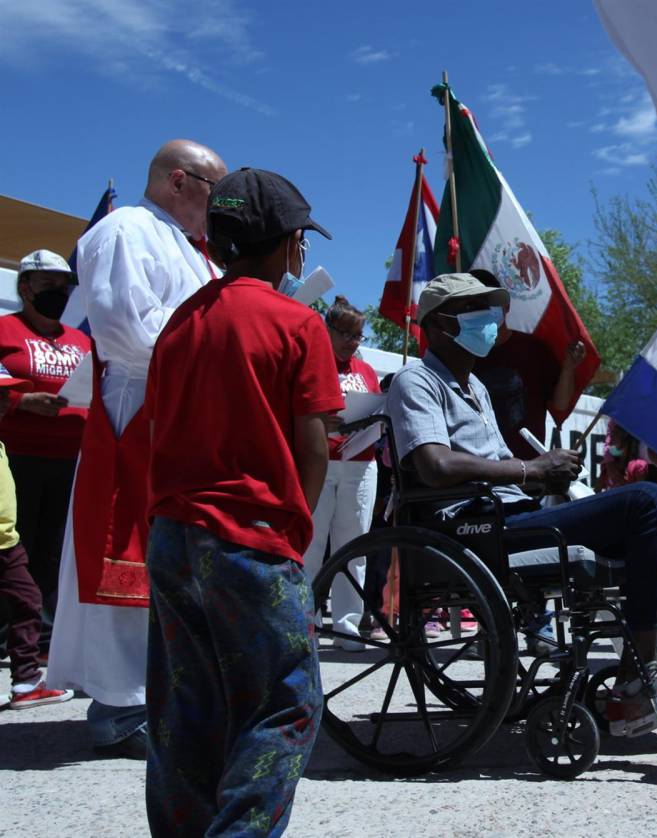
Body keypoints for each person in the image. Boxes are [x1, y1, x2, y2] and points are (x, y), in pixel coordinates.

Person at [386, 272, 657, 737]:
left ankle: (640, 665)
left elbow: (502, 471)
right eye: (477, 314)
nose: (490, 323)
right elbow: (434, 465)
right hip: (469, 529)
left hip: (509, 515)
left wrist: (548, 470)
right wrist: (532, 470)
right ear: (440, 326)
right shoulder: (417, 382)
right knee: (648, 501)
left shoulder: (476, 390)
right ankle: (637, 683)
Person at [143, 167, 341, 835]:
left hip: (172, 532)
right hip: (250, 536)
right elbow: (313, 446)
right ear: (289, 245)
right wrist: (294, 534)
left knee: (185, 708)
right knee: (286, 702)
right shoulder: (297, 323)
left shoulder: (180, 323)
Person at [47, 139, 227, 758]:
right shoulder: (128, 230)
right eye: (215, 189)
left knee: (173, 555)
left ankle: (163, 693)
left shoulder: (195, 251)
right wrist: (211, 357)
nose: (221, 203)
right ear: (180, 180)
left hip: (181, 406)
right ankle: (119, 708)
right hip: (139, 404)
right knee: (128, 550)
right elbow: (124, 327)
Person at [0, 251, 89, 628]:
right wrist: (23, 401)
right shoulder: (5, 330)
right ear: (25, 287)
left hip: (70, 459)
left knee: (55, 550)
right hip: (18, 456)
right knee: (16, 547)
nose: (58, 292)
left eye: (64, 286)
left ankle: (43, 632)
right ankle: (7, 629)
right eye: (48, 284)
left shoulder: (81, 340)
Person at [300, 295, 381, 651]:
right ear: (327, 330)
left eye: (358, 335)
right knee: (312, 544)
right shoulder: (313, 363)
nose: (352, 342)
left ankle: (348, 624)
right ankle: (307, 620)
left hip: (361, 464)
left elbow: (377, 404)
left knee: (354, 547)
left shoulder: (365, 372)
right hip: (323, 461)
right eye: (345, 333)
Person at [0, 361, 74, 710]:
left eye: (7, 394)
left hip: (7, 544)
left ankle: (27, 682)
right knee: (26, 602)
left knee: (28, 602)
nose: (5, 401)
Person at [470, 269, 586, 459]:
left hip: (529, 471)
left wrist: (568, 368)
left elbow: (560, 403)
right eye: (476, 306)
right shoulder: (464, 355)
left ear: (506, 307)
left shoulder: (534, 349)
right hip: (481, 469)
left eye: (489, 303)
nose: (483, 310)